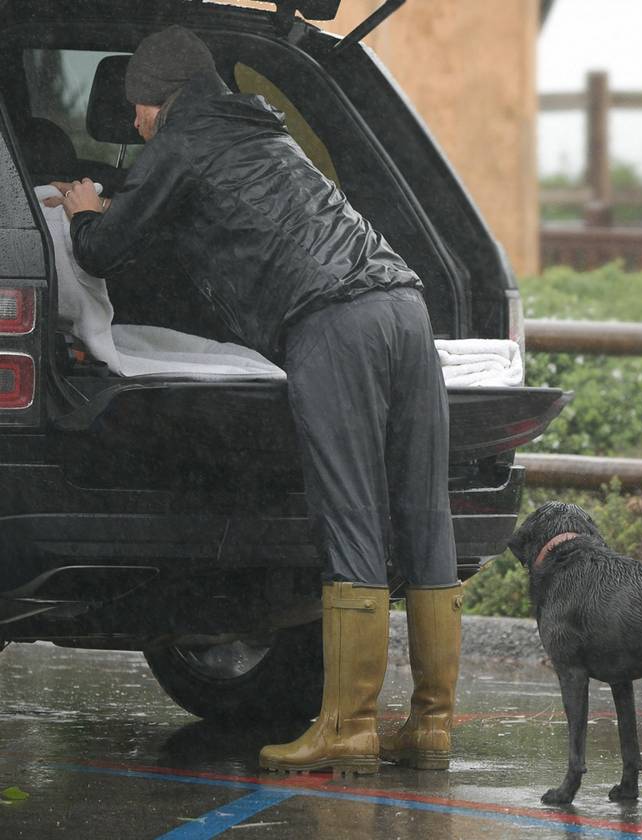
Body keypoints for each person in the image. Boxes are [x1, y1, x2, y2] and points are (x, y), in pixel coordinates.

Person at [56, 25, 462, 776]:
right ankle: (432, 723)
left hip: (333, 321)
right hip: (404, 305)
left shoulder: (179, 139)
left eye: (138, 111)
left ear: (156, 101)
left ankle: (347, 726)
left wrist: (84, 206)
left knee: (351, 514)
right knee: (422, 509)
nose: (138, 124)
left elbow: (103, 251)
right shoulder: (262, 130)